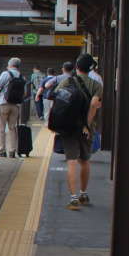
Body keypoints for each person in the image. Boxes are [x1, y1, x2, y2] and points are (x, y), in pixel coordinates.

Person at [52, 54, 102, 210]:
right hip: (86, 128)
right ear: (91, 69)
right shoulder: (96, 85)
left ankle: (73, 198)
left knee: (71, 161)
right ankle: (83, 193)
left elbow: (57, 98)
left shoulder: (67, 81)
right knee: (84, 160)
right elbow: (94, 105)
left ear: (76, 67)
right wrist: (86, 125)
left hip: (69, 126)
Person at [0, 57, 25, 158]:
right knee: (12, 128)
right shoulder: (22, 76)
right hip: (15, 106)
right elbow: (25, 93)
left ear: (10, 65)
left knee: (1, 128)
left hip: (3, 103)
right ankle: (12, 151)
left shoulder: (5, 74)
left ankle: (1, 151)